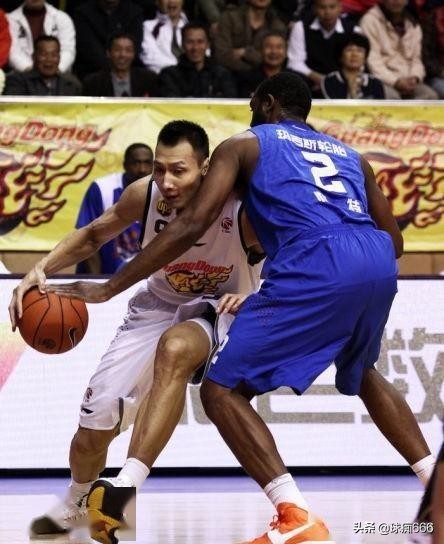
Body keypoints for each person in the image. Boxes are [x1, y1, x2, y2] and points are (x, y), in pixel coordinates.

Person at [46, 72, 436, 544]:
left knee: (221, 390)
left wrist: (109, 287)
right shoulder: (351, 155)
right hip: (375, 259)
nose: (250, 114)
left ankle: (294, 514)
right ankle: (434, 490)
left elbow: (192, 223)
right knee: (364, 373)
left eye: (253, 105)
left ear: (267, 103)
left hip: (311, 262)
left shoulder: (245, 145)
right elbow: (395, 242)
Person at [9, 120, 263, 539]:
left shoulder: (241, 207)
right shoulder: (145, 195)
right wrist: (39, 269)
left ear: (205, 168)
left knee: (176, 350)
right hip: (156, 305)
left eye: (178, 170)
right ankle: (78, 502)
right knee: (93, 424)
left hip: (220, 306)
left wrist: (259, 292)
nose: (166, 181)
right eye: (160, 169)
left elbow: (295, 250)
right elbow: (94, 234)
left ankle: (123, 489)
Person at [76, 143, 153, 274]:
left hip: (142, 279)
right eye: (136, 163)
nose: (142, 169)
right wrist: (96, 282)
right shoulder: (102, 188)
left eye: (147, 163)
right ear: (125, 165)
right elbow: (87, 238)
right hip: (104, 276)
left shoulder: (164, 191)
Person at [360, 0, 438, 99]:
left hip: (409, 78)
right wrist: (396, 81)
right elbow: (373, 61)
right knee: (393, 98)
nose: (397, 1)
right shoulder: (369, 21)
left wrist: (415, 77)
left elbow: (417, 59)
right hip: (383, 80)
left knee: (430, 96)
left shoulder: (413, 22)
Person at [286, 0, 359, 97]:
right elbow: (294, 63)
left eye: (332, 7)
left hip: (343, 83)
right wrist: (321, 80)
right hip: (310, 82)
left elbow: (359, 63)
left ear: (340, 8)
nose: (327, 12)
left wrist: (333, 82)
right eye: (322, 7)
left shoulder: (353, 30)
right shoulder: (301, 27)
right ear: (314, 9)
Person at [159, 21, 237, 97]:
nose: (195, 48)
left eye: (200, 42)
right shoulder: (170, 75)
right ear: (182, 44)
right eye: (190, 42)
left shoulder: (221, 74)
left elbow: (230, 101)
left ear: (208, 44)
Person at [72, 0, 144, 80]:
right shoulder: (82, 13)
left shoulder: (134, 12)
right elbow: (90, 51)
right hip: (91, 72)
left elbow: (134, 47)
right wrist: (115, 73)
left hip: (128, 70)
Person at [213, 0, 287, 74]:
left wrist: (245, 52)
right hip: (230, 74)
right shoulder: (229, 17)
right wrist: (252, 67)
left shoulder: (277, 26)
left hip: (263, 76)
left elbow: (276, 58)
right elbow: (221, 55)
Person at [83, 32, 159, 98]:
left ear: (134, 54)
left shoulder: (149, 79)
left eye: (128, 50)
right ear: (108, 53)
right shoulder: (94, 83)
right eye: (117, 49)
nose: (123, 55)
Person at [7, 0, 75, 73]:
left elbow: (67, 50)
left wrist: (54, 71)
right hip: (22, 74)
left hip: (59, 74)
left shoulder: (62, 18)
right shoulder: (9, 20)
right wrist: (32, 73)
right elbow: (12, 52)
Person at [4, 35, 81, 96]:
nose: (49, 59)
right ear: (34, 56)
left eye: (54, 55)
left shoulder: (71, 83)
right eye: (43, 54)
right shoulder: (17, 81)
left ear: (59, 58)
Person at [321, 32, 385, 98]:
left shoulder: (375, 83)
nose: (354, 54)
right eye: (349, 50)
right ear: (340, 56)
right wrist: (352, 90)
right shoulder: (331, 80)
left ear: (365, 58)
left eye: (359, 50)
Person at [237, 30, 293, 98]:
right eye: (269, 46)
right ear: (260, 50)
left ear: (286, 51)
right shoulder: (246, 79)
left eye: (279, 47)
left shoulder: (295, 79)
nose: (274, 51)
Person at [140, 0, 188, 74]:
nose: (172, 1)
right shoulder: (147, 27)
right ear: (157, 2)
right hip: (163, 77)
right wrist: (182, 71)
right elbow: (151, 58)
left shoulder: (193, 28)